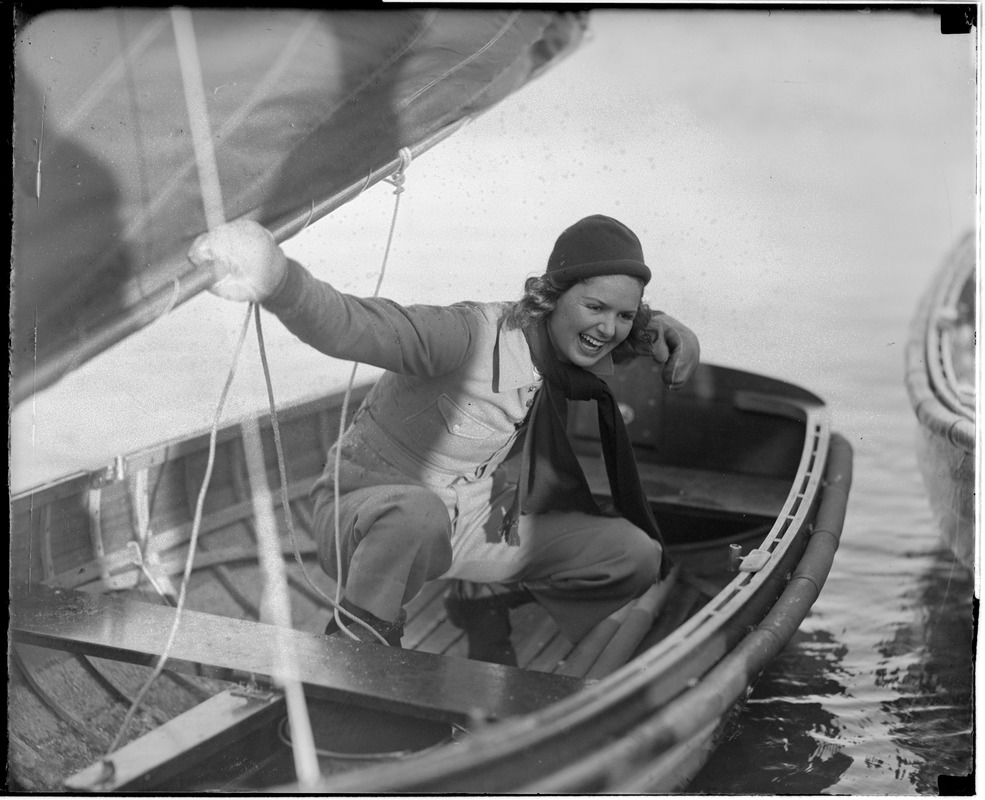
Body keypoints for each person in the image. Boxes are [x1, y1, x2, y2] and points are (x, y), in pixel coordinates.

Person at [188, 214, 700, 665]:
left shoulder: (568, 344)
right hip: (364, 519)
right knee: (417, 513)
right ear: (552, 296)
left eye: (624, 315)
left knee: (635, 555)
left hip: (466, 525)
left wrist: (667, 328)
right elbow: (350, 324)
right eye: (595, 307)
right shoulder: (464, 334)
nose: (607, 328)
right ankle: (355, 652)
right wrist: (276, 278)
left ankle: (480, 598)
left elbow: (620, 331)